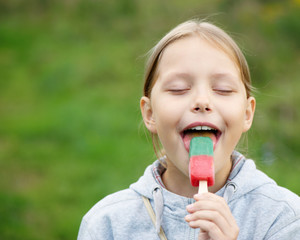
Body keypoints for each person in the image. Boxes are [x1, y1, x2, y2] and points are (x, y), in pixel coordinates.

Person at [77, 19, 300, 240]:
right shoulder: (107, 225)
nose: (202, 101)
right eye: (178, 88)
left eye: (222, 89)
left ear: (246, 114)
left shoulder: (283, 219)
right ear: (150, 114)